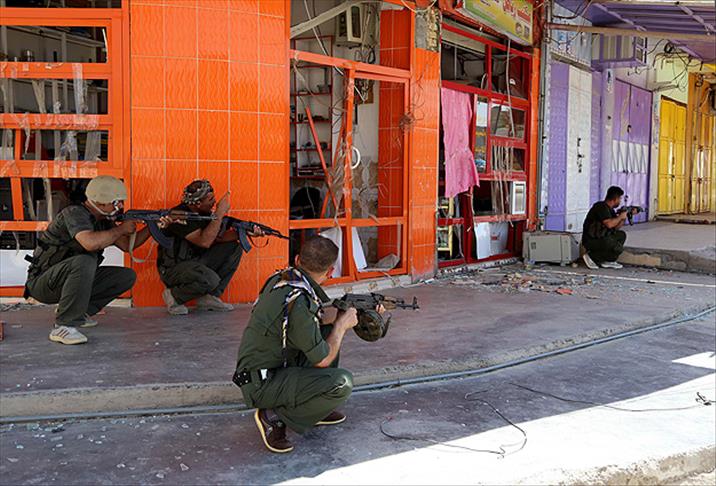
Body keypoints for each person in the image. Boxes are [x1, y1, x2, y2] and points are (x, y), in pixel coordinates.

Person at [234, 236, 365, 454]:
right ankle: (273, 418)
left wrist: (353, 312)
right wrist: (342, 326)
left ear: (297, 260)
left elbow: (315, 318)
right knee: (342, 383)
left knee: (326, 330)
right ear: (331, 271)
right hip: (261, 383)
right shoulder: (300, 301)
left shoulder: (285, 279)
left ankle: (316, 409)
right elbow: (322, 360)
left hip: (259, 371)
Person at [25, 176, 163, 345]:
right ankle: (64, 325)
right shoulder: (74, 214)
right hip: (43, 284)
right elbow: (90, 243)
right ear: (101, 202)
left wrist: (153, 226)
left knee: (126, 276)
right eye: (116, 202)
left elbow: (127, 245)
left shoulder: (102, 220)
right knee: (84, 261)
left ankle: (79, 312)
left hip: (64, 281)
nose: (120, 206)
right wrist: (121, 229)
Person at [157, 180, 261, 315]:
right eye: (210, 199)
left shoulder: (202, 213)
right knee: (211, 279)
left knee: (234, 247)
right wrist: (219, 213)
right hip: (173, 269)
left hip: (195, 262)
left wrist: (245, 233)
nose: (214, 202)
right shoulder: (179, 215)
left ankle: (209, 297)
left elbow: (216, 237)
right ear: (198, 203)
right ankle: (174, 296)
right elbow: (205, 241)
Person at [581, 186, 637, 270]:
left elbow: (616, 227)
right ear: (615, 199)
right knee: (610, 242)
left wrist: (623, 217)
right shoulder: (600, 207)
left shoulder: (610, 210)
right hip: (591, 240)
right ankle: (591, 256)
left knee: (621, 235)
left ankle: (608, 260)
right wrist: (620, 217)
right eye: (619, 199)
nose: (620, 201)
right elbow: (609, 224)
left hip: (601, 237)